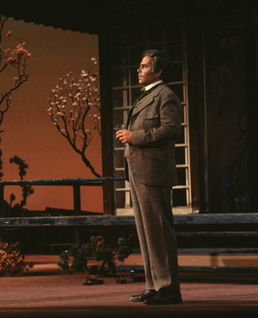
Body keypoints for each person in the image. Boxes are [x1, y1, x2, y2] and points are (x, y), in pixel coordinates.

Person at [116, 50, 182, 305]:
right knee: (146, 232)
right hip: (138, 169)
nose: (138, 70)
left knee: (159, 232)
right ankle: (153, 285)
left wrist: (135, 137)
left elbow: (171, 129)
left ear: (158, 71)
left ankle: (169, 289)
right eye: (139, 66)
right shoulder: (146, 95)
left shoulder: (166, 95)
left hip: (154, 171)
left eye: (144, 66)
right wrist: (127, 134)